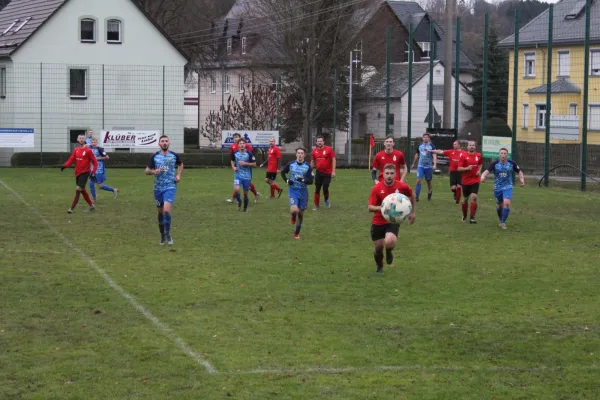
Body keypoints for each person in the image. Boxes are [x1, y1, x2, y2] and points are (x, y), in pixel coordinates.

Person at [368, 164, 416, 273]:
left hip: (393, 220)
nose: (389, 176)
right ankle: (379, 266)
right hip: (378, 221)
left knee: (389, 242)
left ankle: (389, 250)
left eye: (392, 173)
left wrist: (412, 212)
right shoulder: (376, 188)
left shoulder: (402, 186)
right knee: (378, 248)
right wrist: (384, 208)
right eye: (387, 173)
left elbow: (411, 194)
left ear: (395, 175)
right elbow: (370, 207)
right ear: (383, 175)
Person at [145, 135, 183, 246]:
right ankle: (162, 234)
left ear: (169, 143)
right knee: (160, 213)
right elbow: (146, 170)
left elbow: (180, 165)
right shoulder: (154, 156)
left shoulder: (174, 155)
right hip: (158, 188)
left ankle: (168, 234)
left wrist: (178, 175)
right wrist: (153, 172)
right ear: (159, 144)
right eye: (162, 141)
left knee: (166, 210)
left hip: (170, 186)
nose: (164, 143)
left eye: (166, 141)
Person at [480, 148, 525, 229]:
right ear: (499, 155)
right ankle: (501, 219)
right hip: (497, 188)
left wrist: (522, 180)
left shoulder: (511, 163)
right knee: (499, 206)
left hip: (508, 186)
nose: (503, 155)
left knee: (507, 203)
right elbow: (485, 172)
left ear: (507, 155)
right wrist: (482, 177)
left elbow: (520, 172)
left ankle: (503, 222)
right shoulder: (495, 164)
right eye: (501, 153)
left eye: (505, 153)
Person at [281, 147, 314, 239]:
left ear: (304, 155)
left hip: (303, 192)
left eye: (301, 153)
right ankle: (292, 217)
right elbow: (283, 173)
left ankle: (296, 232)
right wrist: (287, 181)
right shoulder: (291, 164)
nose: (300, 155)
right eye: (298, 153)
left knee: (300, 213)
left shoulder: (307, 167)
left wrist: (303, 180)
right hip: (293, 190)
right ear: (296, 154)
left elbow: (311, 181)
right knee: (294, 210)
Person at [61, 134, 98, 213]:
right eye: (80, 138)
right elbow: (71, 159)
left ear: (84, 140)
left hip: (85, 172)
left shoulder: (88, 150)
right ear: (77, 140)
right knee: (82, 190)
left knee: (78, 189)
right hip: (77, 173)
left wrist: (93, 171)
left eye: (82, 138)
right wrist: (65, 166)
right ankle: (91, 206)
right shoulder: (76, 149)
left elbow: (95, 162)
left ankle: (72, 208)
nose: (81, 139)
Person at [226, 133, 260, 203]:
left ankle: (255, 194)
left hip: (246, 169)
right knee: (237, 185)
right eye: (234, 137)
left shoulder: (245, 145)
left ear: (240, 138)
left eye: (237, 137)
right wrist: (233, 167)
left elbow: (252, 153)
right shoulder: (233, 146)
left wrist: (246, 163)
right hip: (238, 169)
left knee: (248, 183)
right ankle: (233, 198)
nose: (235, 138)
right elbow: (232, 157)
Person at [457, 140, 483, 224]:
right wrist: (467, 168)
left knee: (474, 197)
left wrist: (479, 171)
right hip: (465, 181)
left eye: (473, 145)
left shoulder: (478, 155)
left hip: (475, 179)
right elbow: (459, 168)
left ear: (475, 147)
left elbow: (480, 164)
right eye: (470, 145)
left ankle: (472, 217)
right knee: (465, 199)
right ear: (467, 147)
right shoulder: (463, 156)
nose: (471, 146)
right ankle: (464, 215)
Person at [88, 138, 119, 203]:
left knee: (100, 186)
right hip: (92, 169)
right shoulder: (89, 148)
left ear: (97, 142)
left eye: (94, 142)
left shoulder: (100, 149)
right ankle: (94, 198)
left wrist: (96, 159)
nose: (93, 143)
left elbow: (107, 157)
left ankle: (113, 190)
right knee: (91, 184)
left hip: (99, 169)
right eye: (92, 142)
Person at [230, 138, 257, 212]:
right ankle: (239, 202)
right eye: (240, 143)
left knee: (245, 194)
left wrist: (246, 163)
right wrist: (233, 167)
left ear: (245, 144)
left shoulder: (249, 153)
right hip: (237, 175)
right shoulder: (235, 153)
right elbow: (232, 161)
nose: (242, 145)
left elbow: (254, 164)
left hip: (246, 176)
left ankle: (245, 208)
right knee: (236, 189)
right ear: (238, 145)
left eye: (243, 143)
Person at [310, 135, 336, 210]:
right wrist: (310, 170)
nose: (319, 142)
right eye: (318, 141)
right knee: (317, 188)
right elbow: (312, 161)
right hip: (318, 172)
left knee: (325, 187)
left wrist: (333, 171)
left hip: (327, 172)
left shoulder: (329, 149)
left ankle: (326, 200)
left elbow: (333, 159)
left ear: (323, 142)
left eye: (321, 141)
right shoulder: (314, 151)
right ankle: (316, 205)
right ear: (316, 142)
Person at [411, 133, 436, 201]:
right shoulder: (420, 146)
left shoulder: (432, 146)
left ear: (429, 138)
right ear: (423, 138)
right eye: (424, 137)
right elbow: (417, 154)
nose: (425, 138)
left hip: (428, 166)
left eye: (427, 137)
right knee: (419, 180)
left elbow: (434, 155)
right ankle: (417, 196)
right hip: (420, 166)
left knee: (428, 181)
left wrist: (434, 164)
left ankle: (430, 191)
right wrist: (414, 163)